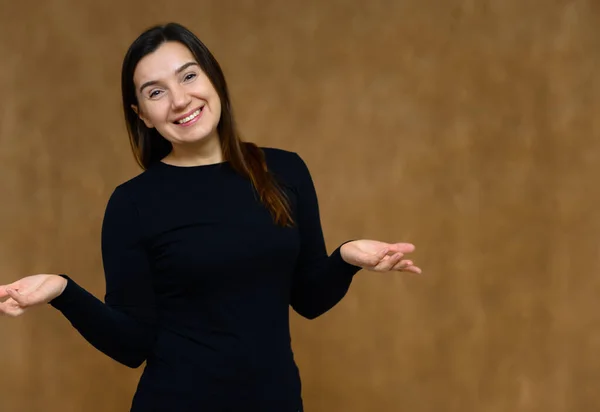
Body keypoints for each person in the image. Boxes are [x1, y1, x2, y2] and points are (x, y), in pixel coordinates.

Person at [0, 22, 421, 412]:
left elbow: (308, 300)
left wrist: (346, 257)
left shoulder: (285, 171)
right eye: (155, 91)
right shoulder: (132, 204)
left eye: (188, 76)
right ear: (142, 114)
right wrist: (63, 291)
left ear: (213, 78)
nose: (180, 99)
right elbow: (132, 344)